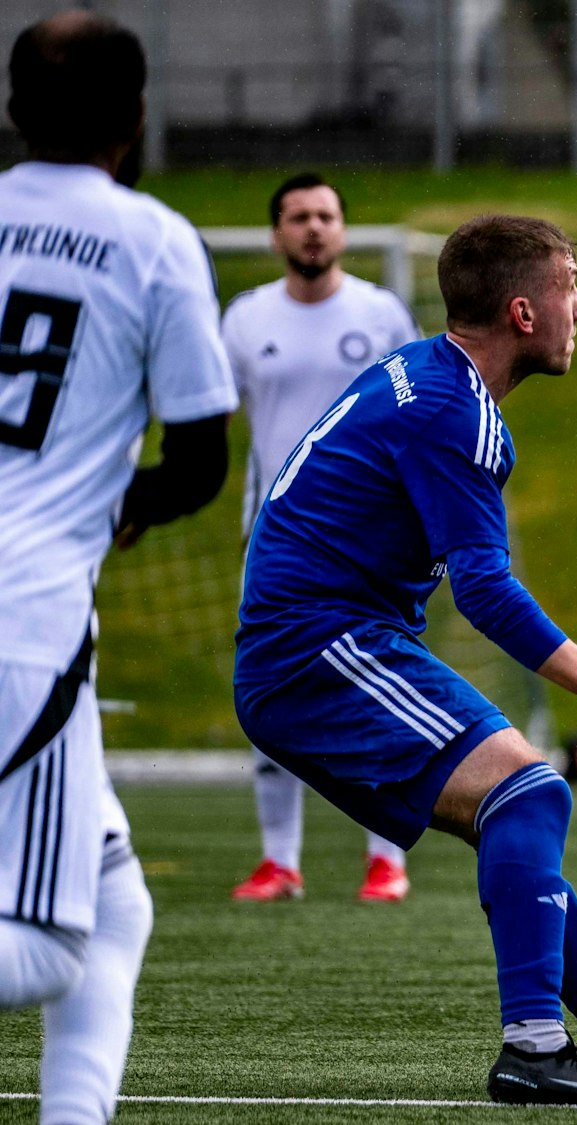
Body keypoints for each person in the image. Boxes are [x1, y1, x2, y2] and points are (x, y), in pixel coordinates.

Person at [233, 215, 577, 1106]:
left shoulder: (433, 376)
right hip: (316, 647)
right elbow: (486, 593)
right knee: (533, 791)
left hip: (326, 639)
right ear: (523, 311)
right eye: (568, 286)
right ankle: (535, 1046)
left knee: (514, 813)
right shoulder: (451, 410)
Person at [0, 12, 239, 1122]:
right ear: (137, 117)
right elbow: (198, 460)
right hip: (26, 616)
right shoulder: (151, 239)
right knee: (46, 949)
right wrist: (121, 504)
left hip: (30, 617)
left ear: (10, 111)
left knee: (114, 892)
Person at [223, 171, 423, 905]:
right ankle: (280, 860)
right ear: (276, 234)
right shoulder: (243, 320)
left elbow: (418, 416)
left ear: (343, 229)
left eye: (327, 216)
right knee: (271, 688)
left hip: (369, 540)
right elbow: (217, 417)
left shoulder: (381, 314)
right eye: (299, 216)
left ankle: (386, 858)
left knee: (380, 688)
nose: (314, 228)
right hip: (275, 540)